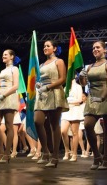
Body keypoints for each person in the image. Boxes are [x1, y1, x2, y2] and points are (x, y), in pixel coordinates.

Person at [79, 40, 107, 170]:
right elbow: (84, 84)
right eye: (93, 48)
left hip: (106, 97)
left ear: (105, 50)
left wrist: (102, 97)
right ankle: (96, 156)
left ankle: (105, 159)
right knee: (88, 125)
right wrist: (81, 77)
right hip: (92, 98)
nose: (95, 49)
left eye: (98, 47)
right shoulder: (90, 66)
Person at [34, 40, 69, 168]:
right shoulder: (42, 64)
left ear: (54, 48)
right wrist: (39, 84)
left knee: (54, 125)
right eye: (44, 46)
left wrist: (48, 87)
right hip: (43, 95)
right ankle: (46, 151)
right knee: (38, 121)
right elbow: (41, 79)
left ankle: (55, 156)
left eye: (48, 46)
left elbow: (62, 79)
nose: (45, 48)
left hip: (54, 93)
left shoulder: (59, 61)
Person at [0, 49, 19, 163]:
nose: (3, 56)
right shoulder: (2, 71)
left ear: (12, 57)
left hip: (9, 97)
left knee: (9, 126)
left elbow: (16, 86)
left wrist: (4, 94)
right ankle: (1, 152)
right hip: (0, 98)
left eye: (6, 54)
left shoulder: (15, 69)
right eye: (3, 55)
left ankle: (7, 154)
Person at [61, 78, 83, 162]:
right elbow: (62, 99)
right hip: (66, 111)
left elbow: (79, 100)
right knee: (63, 131)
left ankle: (74, 153)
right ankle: (67, 151)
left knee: (74, 133)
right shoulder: (65, 87)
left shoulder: (78, 87)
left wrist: (68, 102)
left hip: (75, 110)